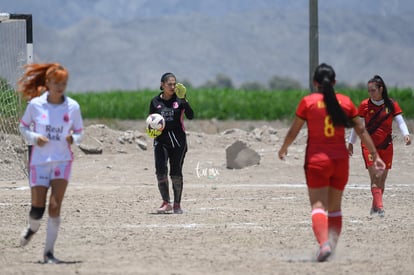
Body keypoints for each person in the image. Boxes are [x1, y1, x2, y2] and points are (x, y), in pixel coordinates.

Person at [278, 63, 385, 262]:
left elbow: (294, 130)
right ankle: (332, 247)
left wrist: (284, 148)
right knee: (335, 208)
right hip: (340, 162)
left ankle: (324, 245)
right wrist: (375, 155)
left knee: (318, 206)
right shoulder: (344, 102)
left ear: (314, 82)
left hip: (317, 161)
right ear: (334, 82)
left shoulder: (308, 102)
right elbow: (361, 130)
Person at [17, 63, 84, 264]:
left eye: (64, 83)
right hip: (39, 162)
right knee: (37, 209)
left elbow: (80, 131)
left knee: (54, 206)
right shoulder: (36, 105)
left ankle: (49, 254)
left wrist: (75, 138)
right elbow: (23, 127)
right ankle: (32, 228)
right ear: (47, 83)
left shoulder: (72, 107)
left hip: (63, 161)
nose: (60, 86)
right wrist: (35, 137)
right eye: (56, 83)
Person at [347, 75, 411, 217]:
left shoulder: (391, 104)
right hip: (369, 146)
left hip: (386, 145)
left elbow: (400, 121)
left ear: (381, 89)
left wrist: (406, 134)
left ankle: (375, 207)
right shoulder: (364, 105)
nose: (371, 93)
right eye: (369, 91)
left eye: (373, 90)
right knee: (376, 175)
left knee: (382, 179)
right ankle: (380, 208)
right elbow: (358, 126)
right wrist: (351, 142)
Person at [148, 72, 194, 214]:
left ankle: (177, 205)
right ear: (162, 85)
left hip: (178, 141)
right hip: (161, 141)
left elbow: (191, 116)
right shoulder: (155, 102)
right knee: (160, 171)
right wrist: (151, 130)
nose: (172, 87)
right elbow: (151, 120)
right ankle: (166, 202)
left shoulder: (180, 100)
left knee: (175, 172)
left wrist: (185, 100)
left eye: (174, 84)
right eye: (169, 84)